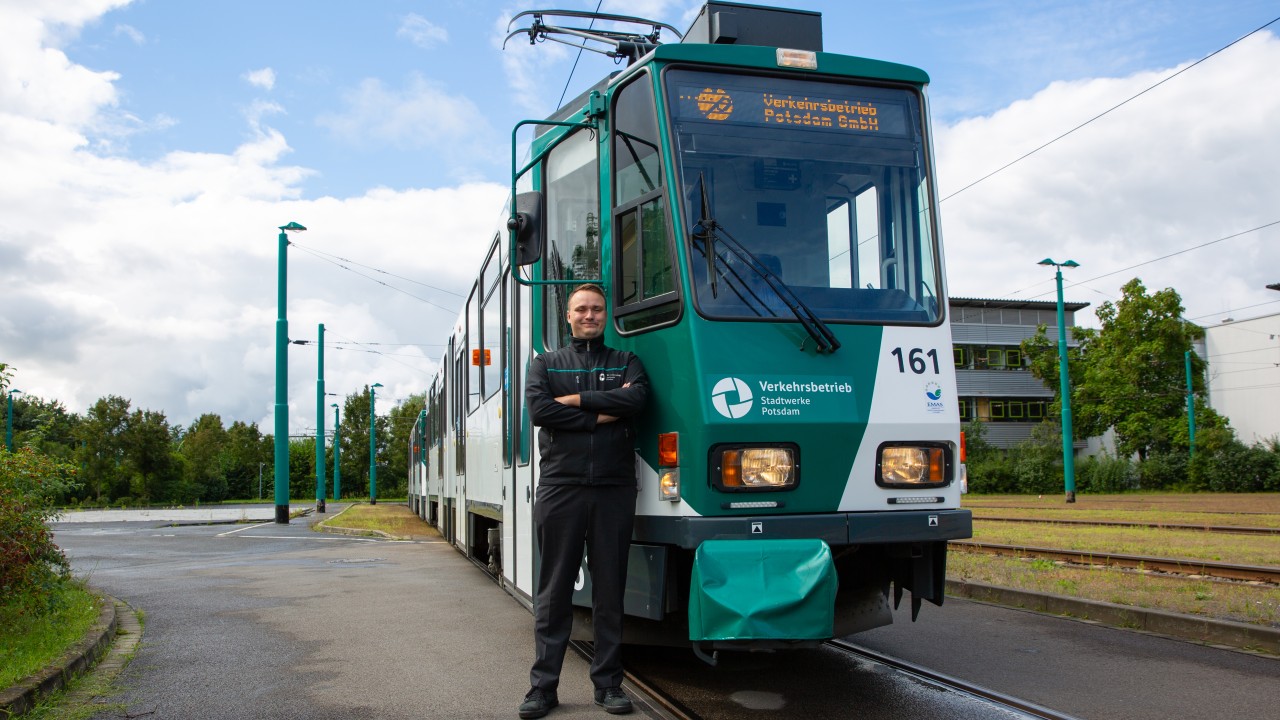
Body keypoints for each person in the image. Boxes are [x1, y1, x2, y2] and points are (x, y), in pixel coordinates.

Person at [519, 283, 649, 719]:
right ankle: (542, 688)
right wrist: (603, 414)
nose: (589, 315)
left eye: (596, 308)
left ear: (605, 314)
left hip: (614, 487)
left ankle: (609, 685)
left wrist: (575, 402)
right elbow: (540, 411)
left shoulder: (625, 360)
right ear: (568, 316)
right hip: (561, 486)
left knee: (610, 591)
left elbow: (637, 399)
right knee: (554, 592)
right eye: (582, 309)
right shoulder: (546, 363)